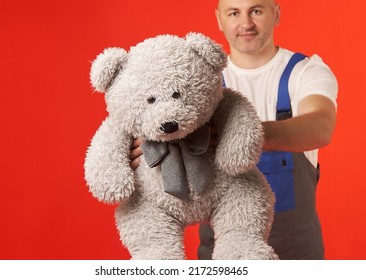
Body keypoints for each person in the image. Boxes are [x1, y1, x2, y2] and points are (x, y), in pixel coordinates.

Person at [130, 0, 338, 260]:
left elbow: (321, 126)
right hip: (221, 255)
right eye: (234, 13)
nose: (246, 23)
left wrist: (242, 134)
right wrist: (142, 150)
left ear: (276, 13)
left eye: (256, 10)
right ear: (219, 19)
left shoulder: (304, 71)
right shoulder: (198, 83)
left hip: (295, 256)